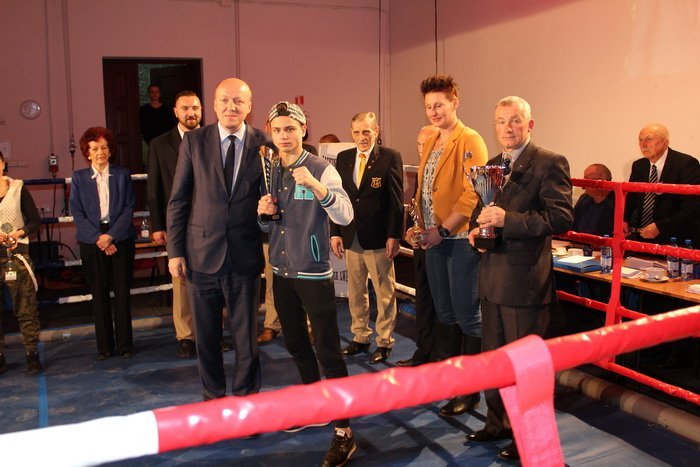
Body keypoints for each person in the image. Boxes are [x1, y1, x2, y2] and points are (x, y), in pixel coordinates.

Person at [467, 96, 573, 461]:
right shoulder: (492, 165)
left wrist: (507, 220)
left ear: (529, 124)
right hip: (491, 279)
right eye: (500, 121)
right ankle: (497, 423)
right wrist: (474, 232)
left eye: (514, 121)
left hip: (525, 284)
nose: (507, 128)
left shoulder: (549, 162)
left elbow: (561, 217)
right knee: (494, 360)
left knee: (526, 368)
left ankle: (527, 434)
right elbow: (480, 211)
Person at [258, 101, 356, 467]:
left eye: (290, 129)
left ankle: (344, 431)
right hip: (282, 272)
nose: (284, 136)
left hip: (313, 273)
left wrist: (316, 186)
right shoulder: (272, 170)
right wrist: (262, 215)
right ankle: (316, 406)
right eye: (278, 130)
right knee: (296, 344)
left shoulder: (320, 168)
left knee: (328, 351)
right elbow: (270, 225)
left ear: (303, 130)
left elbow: (345, 213)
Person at [167, 77, 267, 401]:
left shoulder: (264, 144)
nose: (231, 106)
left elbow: (272, 200)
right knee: (206, 338)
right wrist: (175, 251)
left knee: (246, 338)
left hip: (245, 256)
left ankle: (246, 399)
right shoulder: (194, 141)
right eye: (224, 100)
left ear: (249, 106)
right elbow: (178, 200)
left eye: (238, 101)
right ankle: (213, 398)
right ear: (213, 104)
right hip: (201, 256)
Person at [412, 75, 487, 417]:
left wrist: (443, 229)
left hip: (457, 241)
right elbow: (423, 191)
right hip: (433, 240)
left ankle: (471, 391)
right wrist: (419, 227)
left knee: (468, 316)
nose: (433, 111)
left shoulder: (470, 138)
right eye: (429, 106)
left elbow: (473, 193)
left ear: (455, 102)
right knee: (444, 313)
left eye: (439, 104)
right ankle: (452, 382)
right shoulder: (431, 140)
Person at [330, 112, 403, 364]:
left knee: (384, 292)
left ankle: (384, 341)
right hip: (351, 235)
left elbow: (396, 202)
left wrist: (394, 235)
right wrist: (335, 232)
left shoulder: (390, 157)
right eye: (357, 132)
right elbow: (337, 198)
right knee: (356, 291)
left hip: (379, 237)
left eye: (367, 132)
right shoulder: (344, 158)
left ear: (376, 131)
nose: (362, 137)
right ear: (351, 133)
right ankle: (360, 336)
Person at [70, 127, 136, 360]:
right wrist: (101, 239)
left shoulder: (122, 175)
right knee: (99, 294)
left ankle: (125, 345)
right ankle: (105, 347)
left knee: (122, 293)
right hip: (92, 239)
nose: (100, 152)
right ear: (87, 153)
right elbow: (77, 213)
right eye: (95, 148)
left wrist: (111, 236)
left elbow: (128, 208)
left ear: (110, 150)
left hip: (120, 237)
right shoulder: (79, 178)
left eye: (104, 147)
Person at [147, 90, 202, 358]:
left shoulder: (213, 139)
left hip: (212, 223)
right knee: (180, 280)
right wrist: (158, 225)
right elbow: (154, 188)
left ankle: (211, 333)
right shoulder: (159, 144)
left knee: (213, 280)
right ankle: (186, 336)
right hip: (177, 223)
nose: (191, 113)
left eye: (195, 108)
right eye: (185, 108)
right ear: (175, 112)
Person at [396, 125, 441, 367]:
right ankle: (424, 353)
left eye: (427, 143)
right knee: (423, 303)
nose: (422, 149)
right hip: (422, 249)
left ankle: (441, 359)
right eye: (419, 144)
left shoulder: (446, 172)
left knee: (442, 307)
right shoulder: (422, 171)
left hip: (443, 248)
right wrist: (412, 230)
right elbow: (418, 212)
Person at [0, 150, 42, 374]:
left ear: (3, 164)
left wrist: (19, 233)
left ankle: (32, 353)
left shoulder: (17, 188)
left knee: (26, 308)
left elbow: (35, 221)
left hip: (16, 256)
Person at [624, 123, 700, 245]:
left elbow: (692, 207)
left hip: (675, 238)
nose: (643, 144)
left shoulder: (686, 164)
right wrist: (624, 219)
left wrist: (660, 227)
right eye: (640, 140)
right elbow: (632, 198)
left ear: (665, 143)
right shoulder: (639, 165)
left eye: (649, 139)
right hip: (642, 236)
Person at [572, 163, 614, 236]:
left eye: (586, 179)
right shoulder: (584, 199)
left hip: (601, 242)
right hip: (575, 241)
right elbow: (572, 225)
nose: (583, 185)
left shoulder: (618, 203)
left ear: (600, 181)